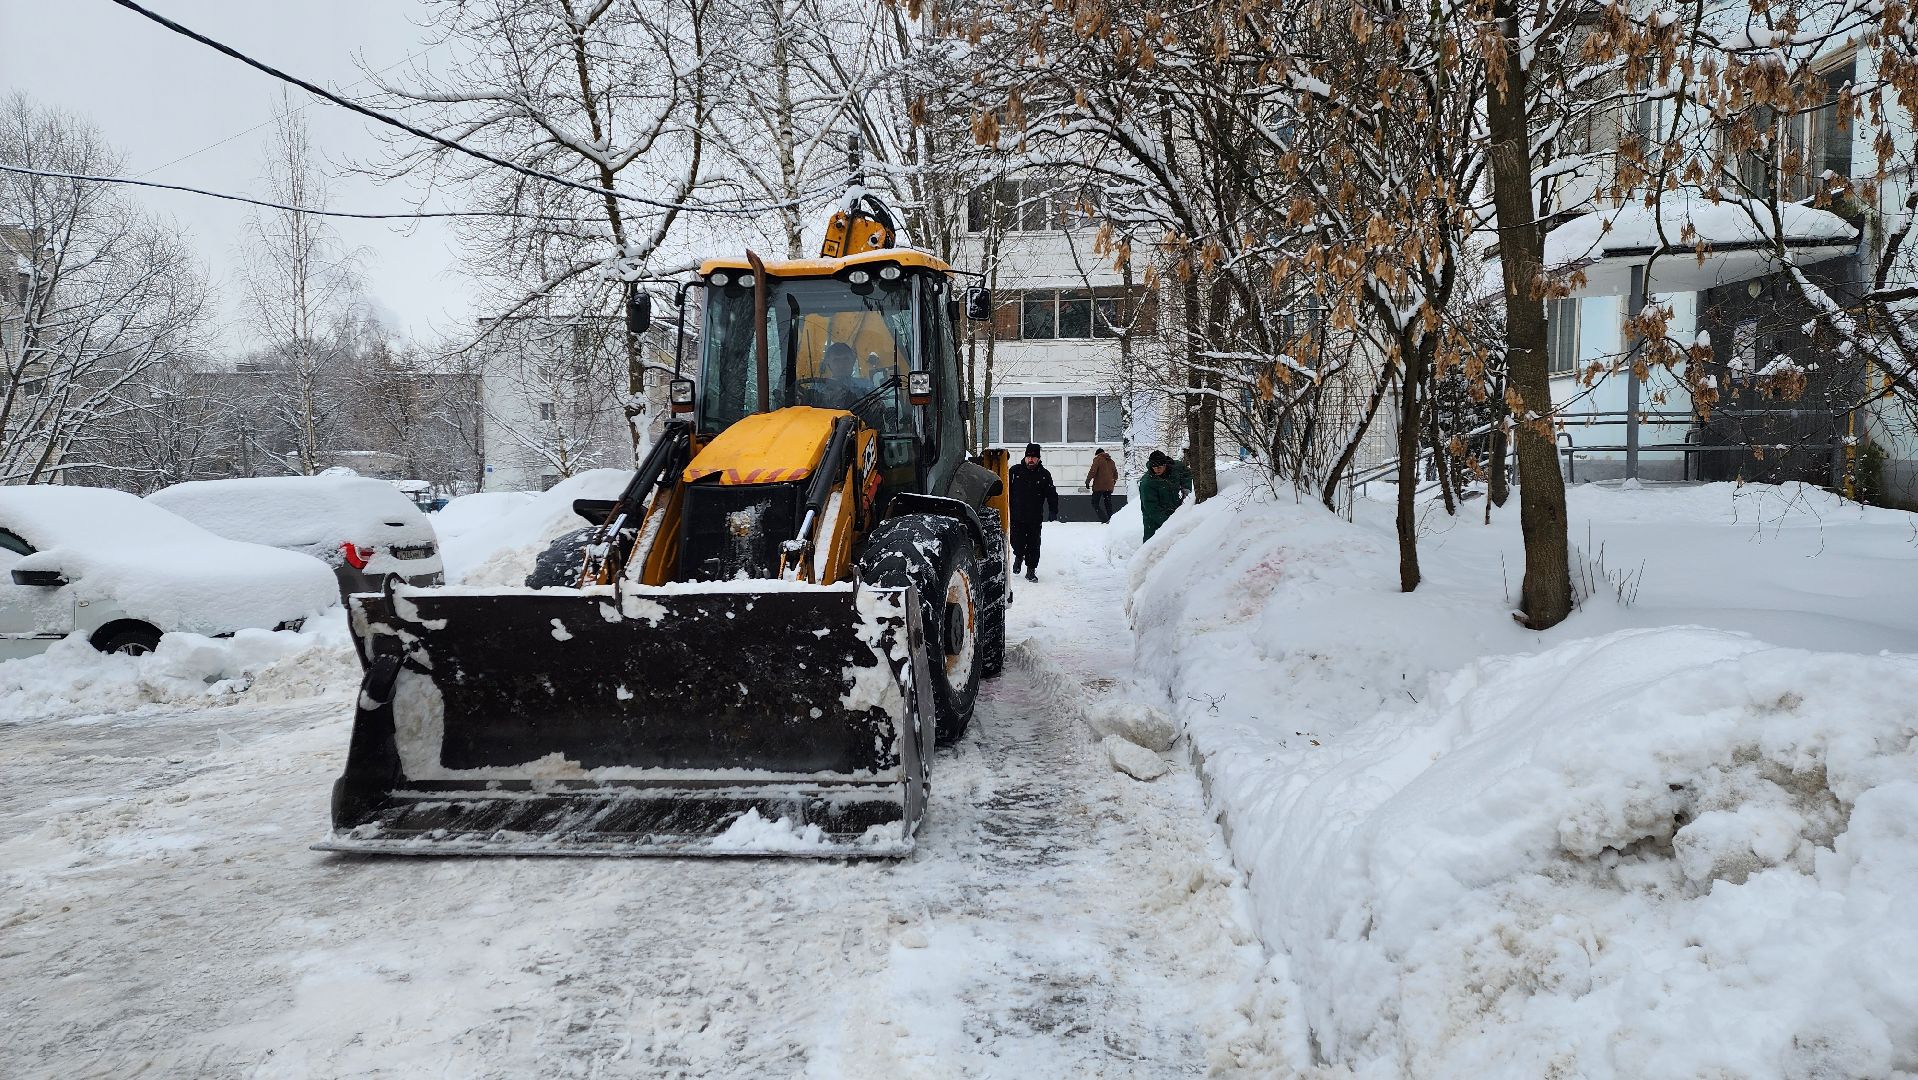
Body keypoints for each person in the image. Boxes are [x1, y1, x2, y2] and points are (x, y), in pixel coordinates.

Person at [1007, 442, 1059, 582]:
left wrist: (1053, 509)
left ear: (1038, 458)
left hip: (1035, 517)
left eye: (1034, 457)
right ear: (1024, 457)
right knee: (1016, 542)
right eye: (1028, 457)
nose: (1031, 460)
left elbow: (1051, 493)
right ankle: (1019, 556)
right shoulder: (1014, 472)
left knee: (1033, 545)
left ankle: (1031, 570)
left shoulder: (1044, 475)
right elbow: (1005, 491)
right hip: (1016, 516)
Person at [1139, 450, 1184, 542]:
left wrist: (1186, 488)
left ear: (1165, 465)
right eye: (1154, 467)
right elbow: (1152, 508)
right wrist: (1168, 523)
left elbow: (1186, 473)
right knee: (1152, 546)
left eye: (1159, 466)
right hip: (1153, 520)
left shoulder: (1174, 470)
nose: (1157, 469)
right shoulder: (1147, 483)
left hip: (1174, 512)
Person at [1084, 448, 1119, 524]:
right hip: (1109, 487)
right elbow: (1116, 475)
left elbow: (1093, 471)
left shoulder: (1098, 459)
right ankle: (1111, 519)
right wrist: (1112, 483)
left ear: (1097, 454)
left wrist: (1087, 481)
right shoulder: (1111, 461)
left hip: (1099, 486)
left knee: (1095, 503)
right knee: (1108, 504)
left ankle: (1104, 519)